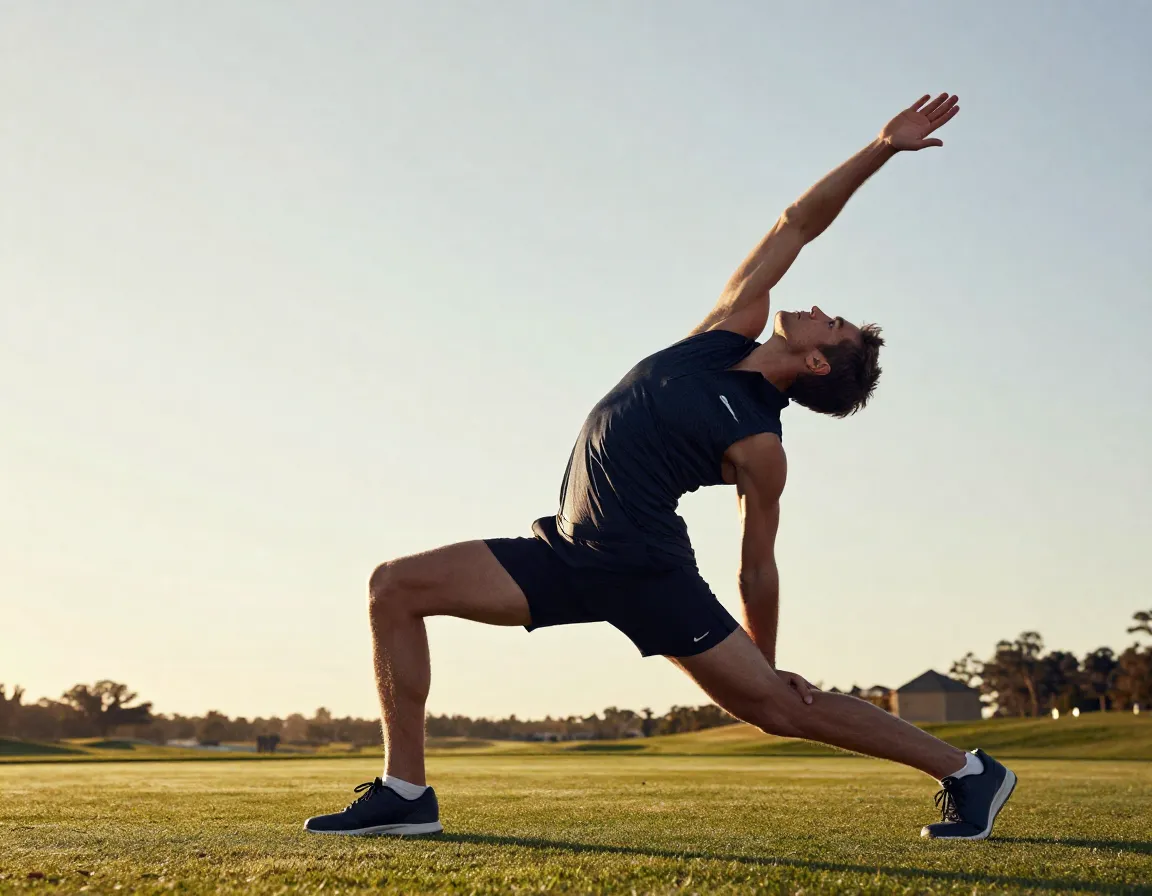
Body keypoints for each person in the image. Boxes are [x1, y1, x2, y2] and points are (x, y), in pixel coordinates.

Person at [304, 92, 1016, 841]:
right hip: (569, 550)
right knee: (395, 586)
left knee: (776, 709)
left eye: (830, 323)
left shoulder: (760, 443)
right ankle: (406, 792)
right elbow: (796, 224)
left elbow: (758, 565)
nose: (819, 308)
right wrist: (882, 147)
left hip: (645, 570)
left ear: (815, 362)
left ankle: (969, 773)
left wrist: (764, 662)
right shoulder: (726, 330)